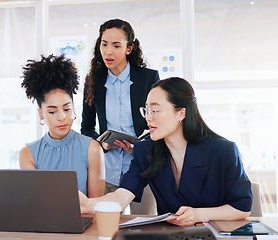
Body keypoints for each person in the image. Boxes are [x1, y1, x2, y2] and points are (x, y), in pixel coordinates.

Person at [79, 77, 253, 226]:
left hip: (213, 233)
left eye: (155, 110)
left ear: (181, 113)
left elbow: (242, 207)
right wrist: (86, 204)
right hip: (170, 235)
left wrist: (199, 215)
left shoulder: (223, 150)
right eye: (146, 110)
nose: (148, 118)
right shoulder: (145, 150)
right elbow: (120, 198)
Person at [81, 19, 159, 193]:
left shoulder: (149, 79)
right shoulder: (93, 81)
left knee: (145, 220)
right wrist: (102, 144)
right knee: (106, 218)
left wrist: (139, 145)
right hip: (107, 171)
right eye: (104, 44)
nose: (108, 52)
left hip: (143, 167)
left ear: (128, 48)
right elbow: (86, 128)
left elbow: (160, 123)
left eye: (116, 46)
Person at [19, 54, 105, 198]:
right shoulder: (28, 154)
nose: (62, 117)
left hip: (83, 220)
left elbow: (94, 206)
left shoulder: (93, 149)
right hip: (43, 220)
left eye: (67, 109)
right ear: (41, 114)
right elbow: (35, 202)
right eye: (52, 111)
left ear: (74, 109)